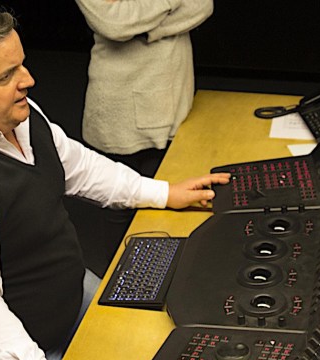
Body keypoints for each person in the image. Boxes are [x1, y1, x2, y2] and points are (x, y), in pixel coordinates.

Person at [0, 6, 230, 360]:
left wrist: (162, 193)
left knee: (172, 354)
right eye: (6, 76)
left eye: (22, 65)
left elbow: (78, 166)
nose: (28, 80)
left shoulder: (18, 114)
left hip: (64, 299)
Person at [75, 0, 215, 260]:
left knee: (175, 203)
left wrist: (145, 30)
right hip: (122, 112)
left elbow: (202, 5)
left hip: (176, 101)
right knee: (121, 207)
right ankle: (117, 282)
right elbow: (113, 24)